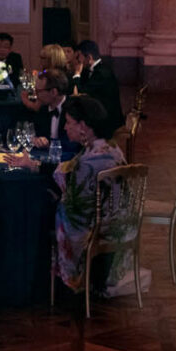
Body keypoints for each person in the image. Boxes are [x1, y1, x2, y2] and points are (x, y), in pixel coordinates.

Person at [51, 95, 132, 295]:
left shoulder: (89, 162)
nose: (65, 128)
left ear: (83, 126)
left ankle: (61, 280)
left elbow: (76, 205)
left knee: (46, 211)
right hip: (119, 221)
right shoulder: (109, 147)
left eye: (69, 122)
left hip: (97, 227)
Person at [73, 40, 123, 131]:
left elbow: (81, 93)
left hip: (108, 121)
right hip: (99, 113)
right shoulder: (91, 70)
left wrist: (77, 74)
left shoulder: (102, 74)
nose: (78, 60)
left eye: (79, 56)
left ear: (89, 58)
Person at [20, 69, 71, 152]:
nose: (36, 95)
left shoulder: (73, 110)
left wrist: (50, 145)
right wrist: (36, 140)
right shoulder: (42, 110)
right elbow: (32, 134)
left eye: (38, 91)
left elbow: (73, 144)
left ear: (53, 92)